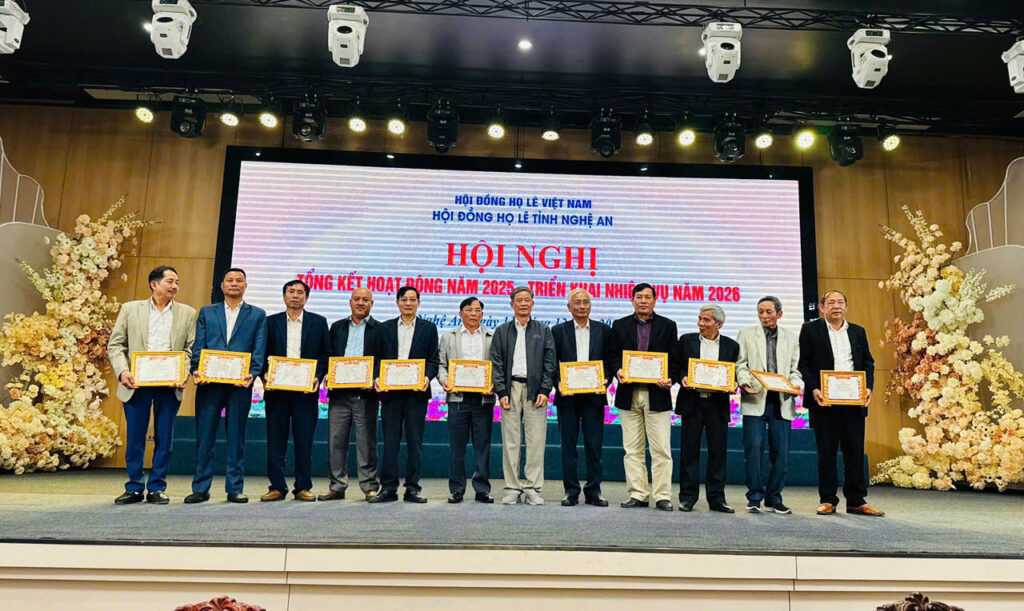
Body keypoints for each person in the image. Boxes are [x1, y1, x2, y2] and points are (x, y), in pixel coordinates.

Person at [107, 265, 197, 505]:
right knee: (135, 438)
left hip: (170, 384)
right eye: (170, 281)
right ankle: (134, 487)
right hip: (136, 383)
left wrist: (184, 372)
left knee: (164, 439)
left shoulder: (187, 313)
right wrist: (123, 371)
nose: (175, 286)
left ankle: (157, 487)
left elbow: (189, 349)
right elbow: (116, 345)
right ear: (154, 284)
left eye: (177, 282)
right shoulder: (130, 309)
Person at [798, 290, 884, 517]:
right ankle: (828, 500)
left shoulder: (857, 331)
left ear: (846, 306)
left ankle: (856, 501)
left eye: (840, 302)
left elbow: (868, 363)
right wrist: (814, 388)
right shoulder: (810, 330)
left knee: (854, 452)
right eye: (831, 303)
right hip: (824, 401)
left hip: (853, 402)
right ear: (821, 307)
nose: (836, 306)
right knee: (827, 453)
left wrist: (868, 387)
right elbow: (803, 364)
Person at [186, 268, 267, 504]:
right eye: (229, 280)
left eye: (239, 280)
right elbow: (199, 344)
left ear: (245, 286)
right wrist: (196, 368)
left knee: (236, 438)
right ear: (222, 286)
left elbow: (259, 347)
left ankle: (235, 488)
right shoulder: (207, 312)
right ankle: (201, 488)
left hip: (240, 385)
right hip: (209, 384)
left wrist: (253, 372)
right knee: (205, 437)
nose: (234, 284)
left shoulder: (257, 314)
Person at [260, 280, 330, 503]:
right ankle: (277, 486)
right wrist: (264, 374)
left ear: (306, 298)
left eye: (300, 292)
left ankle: (303, 487)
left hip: (305, 394)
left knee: (304, 442)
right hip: (277, 393)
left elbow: (325, 355)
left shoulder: (318, 322)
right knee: (275, 441)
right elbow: (260, 353)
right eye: (291, 292)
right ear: (284, 296)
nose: (296, 296)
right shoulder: (270, 322)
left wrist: (317, 375)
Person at [608, 283, 677, 512]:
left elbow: (674, 359)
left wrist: (670, 377)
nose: (643, 301)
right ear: (632, 300)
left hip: (658, 394)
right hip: (628, 394)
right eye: (639, 297)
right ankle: (637, 493)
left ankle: (662, 496)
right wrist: (618, 371)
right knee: (632, 449)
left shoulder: (668, 325)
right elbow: (612, 356)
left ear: (655, 300)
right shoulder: (619, 325)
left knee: (661, 449)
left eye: (648, 297)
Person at [368, 286, 439, 504]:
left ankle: (413, 488)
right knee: (390, 442)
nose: (408, 303)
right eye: (404, 299)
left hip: (416, 394)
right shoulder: (384, 328)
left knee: (415, 442)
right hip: (390, 394)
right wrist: (377, 377)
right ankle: (388, 487)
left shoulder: (429, 328)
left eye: (412, 299)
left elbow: (433, 360)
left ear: (418, 303)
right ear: (397, 302)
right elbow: (376, 358)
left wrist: (427, 377)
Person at [736, 296, 803, 514]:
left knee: (781, 453)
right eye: (760, 312)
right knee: (754, 449)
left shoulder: (791, 337)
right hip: (755, 397)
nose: (764, 316)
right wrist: (744, 382)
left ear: (779, 314)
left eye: (769, 312)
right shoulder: (746, 334)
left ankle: (774, 498)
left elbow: (795, 369)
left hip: (781, 400)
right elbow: (741, 365)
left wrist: (795, 385)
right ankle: (755, 496)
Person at [490, 286, 556, 506]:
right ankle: (512, 487)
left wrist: (545, 390)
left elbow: (550, 363)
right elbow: (496, 363)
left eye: (528, 300)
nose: (524, 303)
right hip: (510, 390)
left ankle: (533, 488)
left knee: (536, 441)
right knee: (511, 442)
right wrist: (501, 391)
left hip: (535, 391)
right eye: (519, 300)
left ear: (533, 304)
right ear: (512, 304)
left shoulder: (543, 330)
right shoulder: (502, 331)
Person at [673, 304, 740, 513]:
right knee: (689, 452)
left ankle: (717, 498)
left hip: (717, 405)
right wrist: (683, 377)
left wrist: (734, 383)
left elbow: (735, 372)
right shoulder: (686, 340)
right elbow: (676, 366)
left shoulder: (731, 346)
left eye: (706, 320)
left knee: (718, 453)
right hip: (692, 403)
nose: (700, 323)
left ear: (719, 324)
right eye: (699, 319)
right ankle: (687, 497)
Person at [551, 289, 613, 507]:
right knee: (568, 446)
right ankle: (571, 491)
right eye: (577, 303)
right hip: (567, 397)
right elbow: (552, 362)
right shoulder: (558, 331)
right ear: (569, 307)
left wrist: (606, 380)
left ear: (591, 306)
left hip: (594, 397)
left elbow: (610, 361)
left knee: (594, 446)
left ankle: (594, 491)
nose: (582, 306)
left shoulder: (603, 330)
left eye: (586, 302)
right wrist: (558, 383)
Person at [320, 287, 381, 501]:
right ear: (350, 302)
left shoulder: (380, 329)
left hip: (366, 395)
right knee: (336, 442)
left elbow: (383, 359)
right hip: (339, 395)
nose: (361, 303)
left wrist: (374, 376)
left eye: (365, 300)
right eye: (357, 299)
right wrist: (327, 373)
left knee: (366, 443)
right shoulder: (337, 327)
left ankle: (369, 486)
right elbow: (328, 355)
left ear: (372, 304)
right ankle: (337, 486)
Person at [438, 296, 495, 504]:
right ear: (460, 313)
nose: (473, 313)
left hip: (483, 400)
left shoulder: (492, 337)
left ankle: (482, 489)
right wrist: (444, 380)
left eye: (477, 310)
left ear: (482, 314)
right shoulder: (448, 337)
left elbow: (498, 366)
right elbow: (441, 365)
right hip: (457, 399)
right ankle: (457, 489)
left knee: (483, 446)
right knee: (457, 447)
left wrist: (494, 384)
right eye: (469, 310)